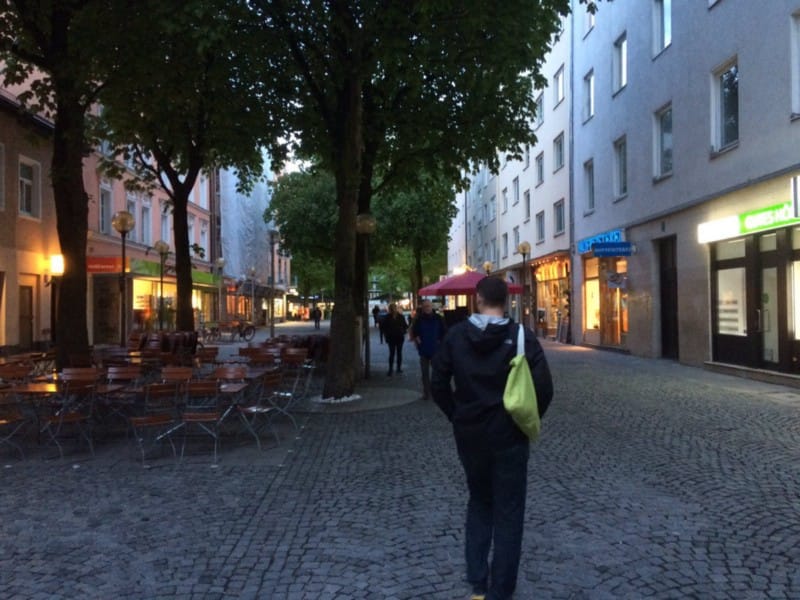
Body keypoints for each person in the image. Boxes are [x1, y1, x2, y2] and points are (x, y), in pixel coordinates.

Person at [431, 277, 553, 600]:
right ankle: (501, 591)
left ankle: (477, 581)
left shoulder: (456, 336)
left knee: (480, 500)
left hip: (470, 436)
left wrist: (456, 415)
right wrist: (527, 419)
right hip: (510, 436)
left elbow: (438, 382)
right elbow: (544, 389)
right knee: (510, 513)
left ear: (478, 298)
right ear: (506, 300)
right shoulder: (522, 338)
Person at [408, 299, 446, 401]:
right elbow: (414, 333)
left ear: (432, 307)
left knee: (436, 373)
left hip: (436, 350)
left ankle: (436, 392)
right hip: (424, 351)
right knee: (424, 374)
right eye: (425, 307)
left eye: (428, 306)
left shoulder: (438, 318)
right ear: (422, 308)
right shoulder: (419, 319)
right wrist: (419, 343)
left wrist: (440, 343)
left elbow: (444, 332)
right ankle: (427, 393)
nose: (427, 308)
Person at [380, 302, 407, 375]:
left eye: (394, 308)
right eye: (392, 308)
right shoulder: (387, 317)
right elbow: (383, 327)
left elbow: (405, 326)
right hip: (391, 337)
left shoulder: (400, 316)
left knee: (398, 353)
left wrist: (403, 331)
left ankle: (397, 368)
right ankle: (391, 369)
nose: (394, 309)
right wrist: (386, 335)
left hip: (399, 337)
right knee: (392, 353)